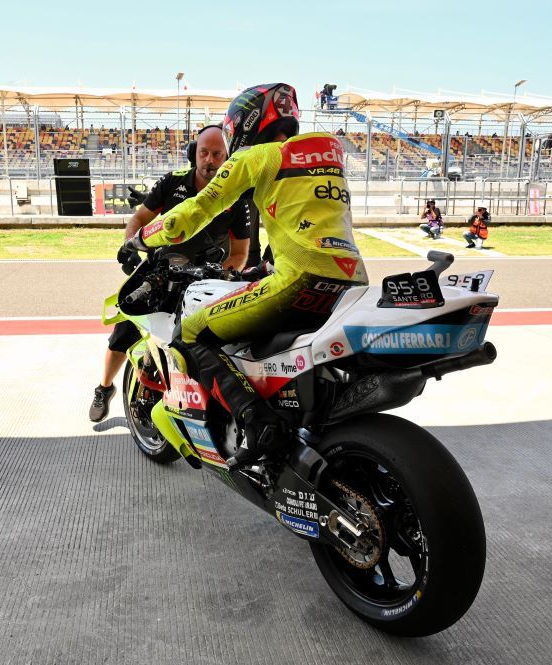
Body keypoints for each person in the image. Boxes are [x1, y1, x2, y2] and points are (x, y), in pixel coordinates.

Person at [121, 83, 368, 468]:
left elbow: (195, 211)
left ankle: (257, 423)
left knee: (189, 333)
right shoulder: (330, 152)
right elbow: (312, 225)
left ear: (247, 123)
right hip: (350, 281)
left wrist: (142, 238)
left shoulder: (259, 156)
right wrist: (262, 268)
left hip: (299, 280)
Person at [89, 125, 250, 422]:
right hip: (159, 271)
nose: (209, 160)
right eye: (204, 152)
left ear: (227, 158)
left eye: (217, 154)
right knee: (122, 334)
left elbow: (240, 253)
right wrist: (131, 247)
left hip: (203, 279)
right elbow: (139, 218)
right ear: (194, 154)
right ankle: (105, 387)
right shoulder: (172, 182)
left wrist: (226, 275)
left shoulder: (236, 199)